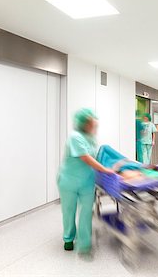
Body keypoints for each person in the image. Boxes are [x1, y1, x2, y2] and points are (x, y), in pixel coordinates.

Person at [57, 108, 114, 255]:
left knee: (86, 212)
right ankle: (68, 239)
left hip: (87, 181)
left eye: (95, 124)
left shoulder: (92, 138)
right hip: (68, 180)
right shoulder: (74, 137)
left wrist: (113, 166)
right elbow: (86, 157)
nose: (94, 127)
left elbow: (96, 157)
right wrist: (105, 170)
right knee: (69, 211)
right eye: (91, 124)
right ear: (82, 124)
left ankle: (85, 243)